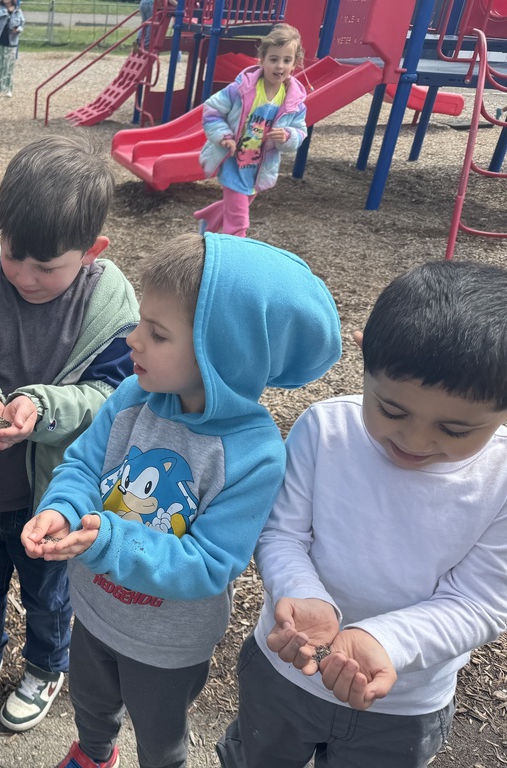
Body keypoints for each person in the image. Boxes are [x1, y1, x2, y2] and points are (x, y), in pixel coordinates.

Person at [22, 232, 343, 768]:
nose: (134, 341)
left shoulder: (252, 455)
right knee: (91, 702)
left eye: (157, 333)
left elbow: (210, 563)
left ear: (222, 356)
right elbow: (82, 466)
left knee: (159, 733)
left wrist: (107, 537)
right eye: (140, 323)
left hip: (167, 645)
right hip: (95, 609)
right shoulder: (132, 397)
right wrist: (63, 508)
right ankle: (94, 753)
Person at [216, 259, 507, 768]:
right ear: (362, 354)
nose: (414, 440)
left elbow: (480, 602)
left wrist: (382, 640)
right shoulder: (326, 431)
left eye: (456, 430)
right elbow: (283, 533)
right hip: (284, 671)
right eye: (392, 410)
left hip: (403, 703)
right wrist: (304, 596)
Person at [0, 135, 140, 733]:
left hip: (53, 502)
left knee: (49, 596)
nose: (25, 276)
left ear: (92, 251)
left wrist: (42, 409)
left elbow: (114, 402)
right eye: (14, 255)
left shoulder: (112, 311)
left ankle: (45, 666)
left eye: (47, 266)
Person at [195, 23, 307, 238]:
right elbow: (212, 110)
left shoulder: (294, 101)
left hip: (258, 168)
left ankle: (209, 218)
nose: (279, 66)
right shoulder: (242, 89)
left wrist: (288, 136)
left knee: (238, 206)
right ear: (262, 60)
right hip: (233, 162)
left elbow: (300, 131)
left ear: (294, 64)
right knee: (239, 221)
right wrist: (224, 136)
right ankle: (235, 255)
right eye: (273, 59)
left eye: (286, 60)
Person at [0, 0, 25, 98]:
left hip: (12, 42)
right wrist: (8, 11)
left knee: (9, 67)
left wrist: (17, 29)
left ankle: (8, 89)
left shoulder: (18, 11)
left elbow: (22, 24)